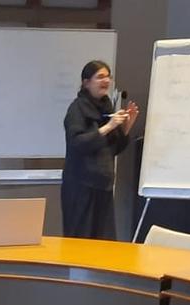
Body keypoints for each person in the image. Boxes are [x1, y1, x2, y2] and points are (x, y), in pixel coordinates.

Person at [61, 60, 138, 240]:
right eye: (100, 77)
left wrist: (126, 127)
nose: (106, 81)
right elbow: (77, 143)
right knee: (81, 240)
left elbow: (113, 149)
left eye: (108, 77)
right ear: (86, 82)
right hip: (81, 187)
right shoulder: (77, 109)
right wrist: (109, 126)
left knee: (104, 240)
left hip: (103, 186)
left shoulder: (107, 107)